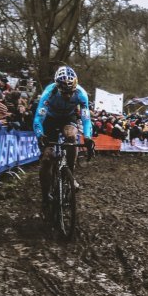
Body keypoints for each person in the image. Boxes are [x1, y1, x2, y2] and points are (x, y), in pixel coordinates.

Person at [33, 66, 92, 211]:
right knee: (47, 158)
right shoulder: (49, 92)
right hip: (50, 120)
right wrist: (40, 135)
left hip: (68, 118)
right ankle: (46, 196)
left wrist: (88, 137)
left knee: (71, 137)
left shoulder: (81, 94)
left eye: (70, 92)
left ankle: (70, 174)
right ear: (58, 87)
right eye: (64, 92)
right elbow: (38, 119)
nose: (68, 96)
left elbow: (86, 119)